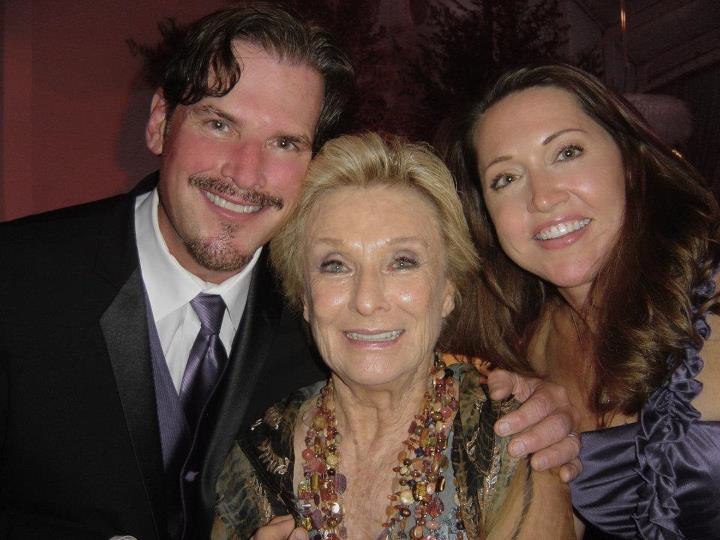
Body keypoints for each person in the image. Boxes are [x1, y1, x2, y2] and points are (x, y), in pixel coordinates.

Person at [0, 7, 579, 540]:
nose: (246, 172)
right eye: (219, 124)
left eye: (284, 141)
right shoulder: (18, 279)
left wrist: (543, 399)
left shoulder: (331, 315)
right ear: (158, 123)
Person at [211, 132, 575, 540]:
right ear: (305, 298)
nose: (367, 301)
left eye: (402, 262)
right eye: (335, 265)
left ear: (448, 291)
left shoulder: (512, 438)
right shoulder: (259, 453)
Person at [443, 64, 720, 538]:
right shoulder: (519, 358)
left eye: (567, 152)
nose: (543, 198)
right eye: (505, 178)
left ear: (630, 162)